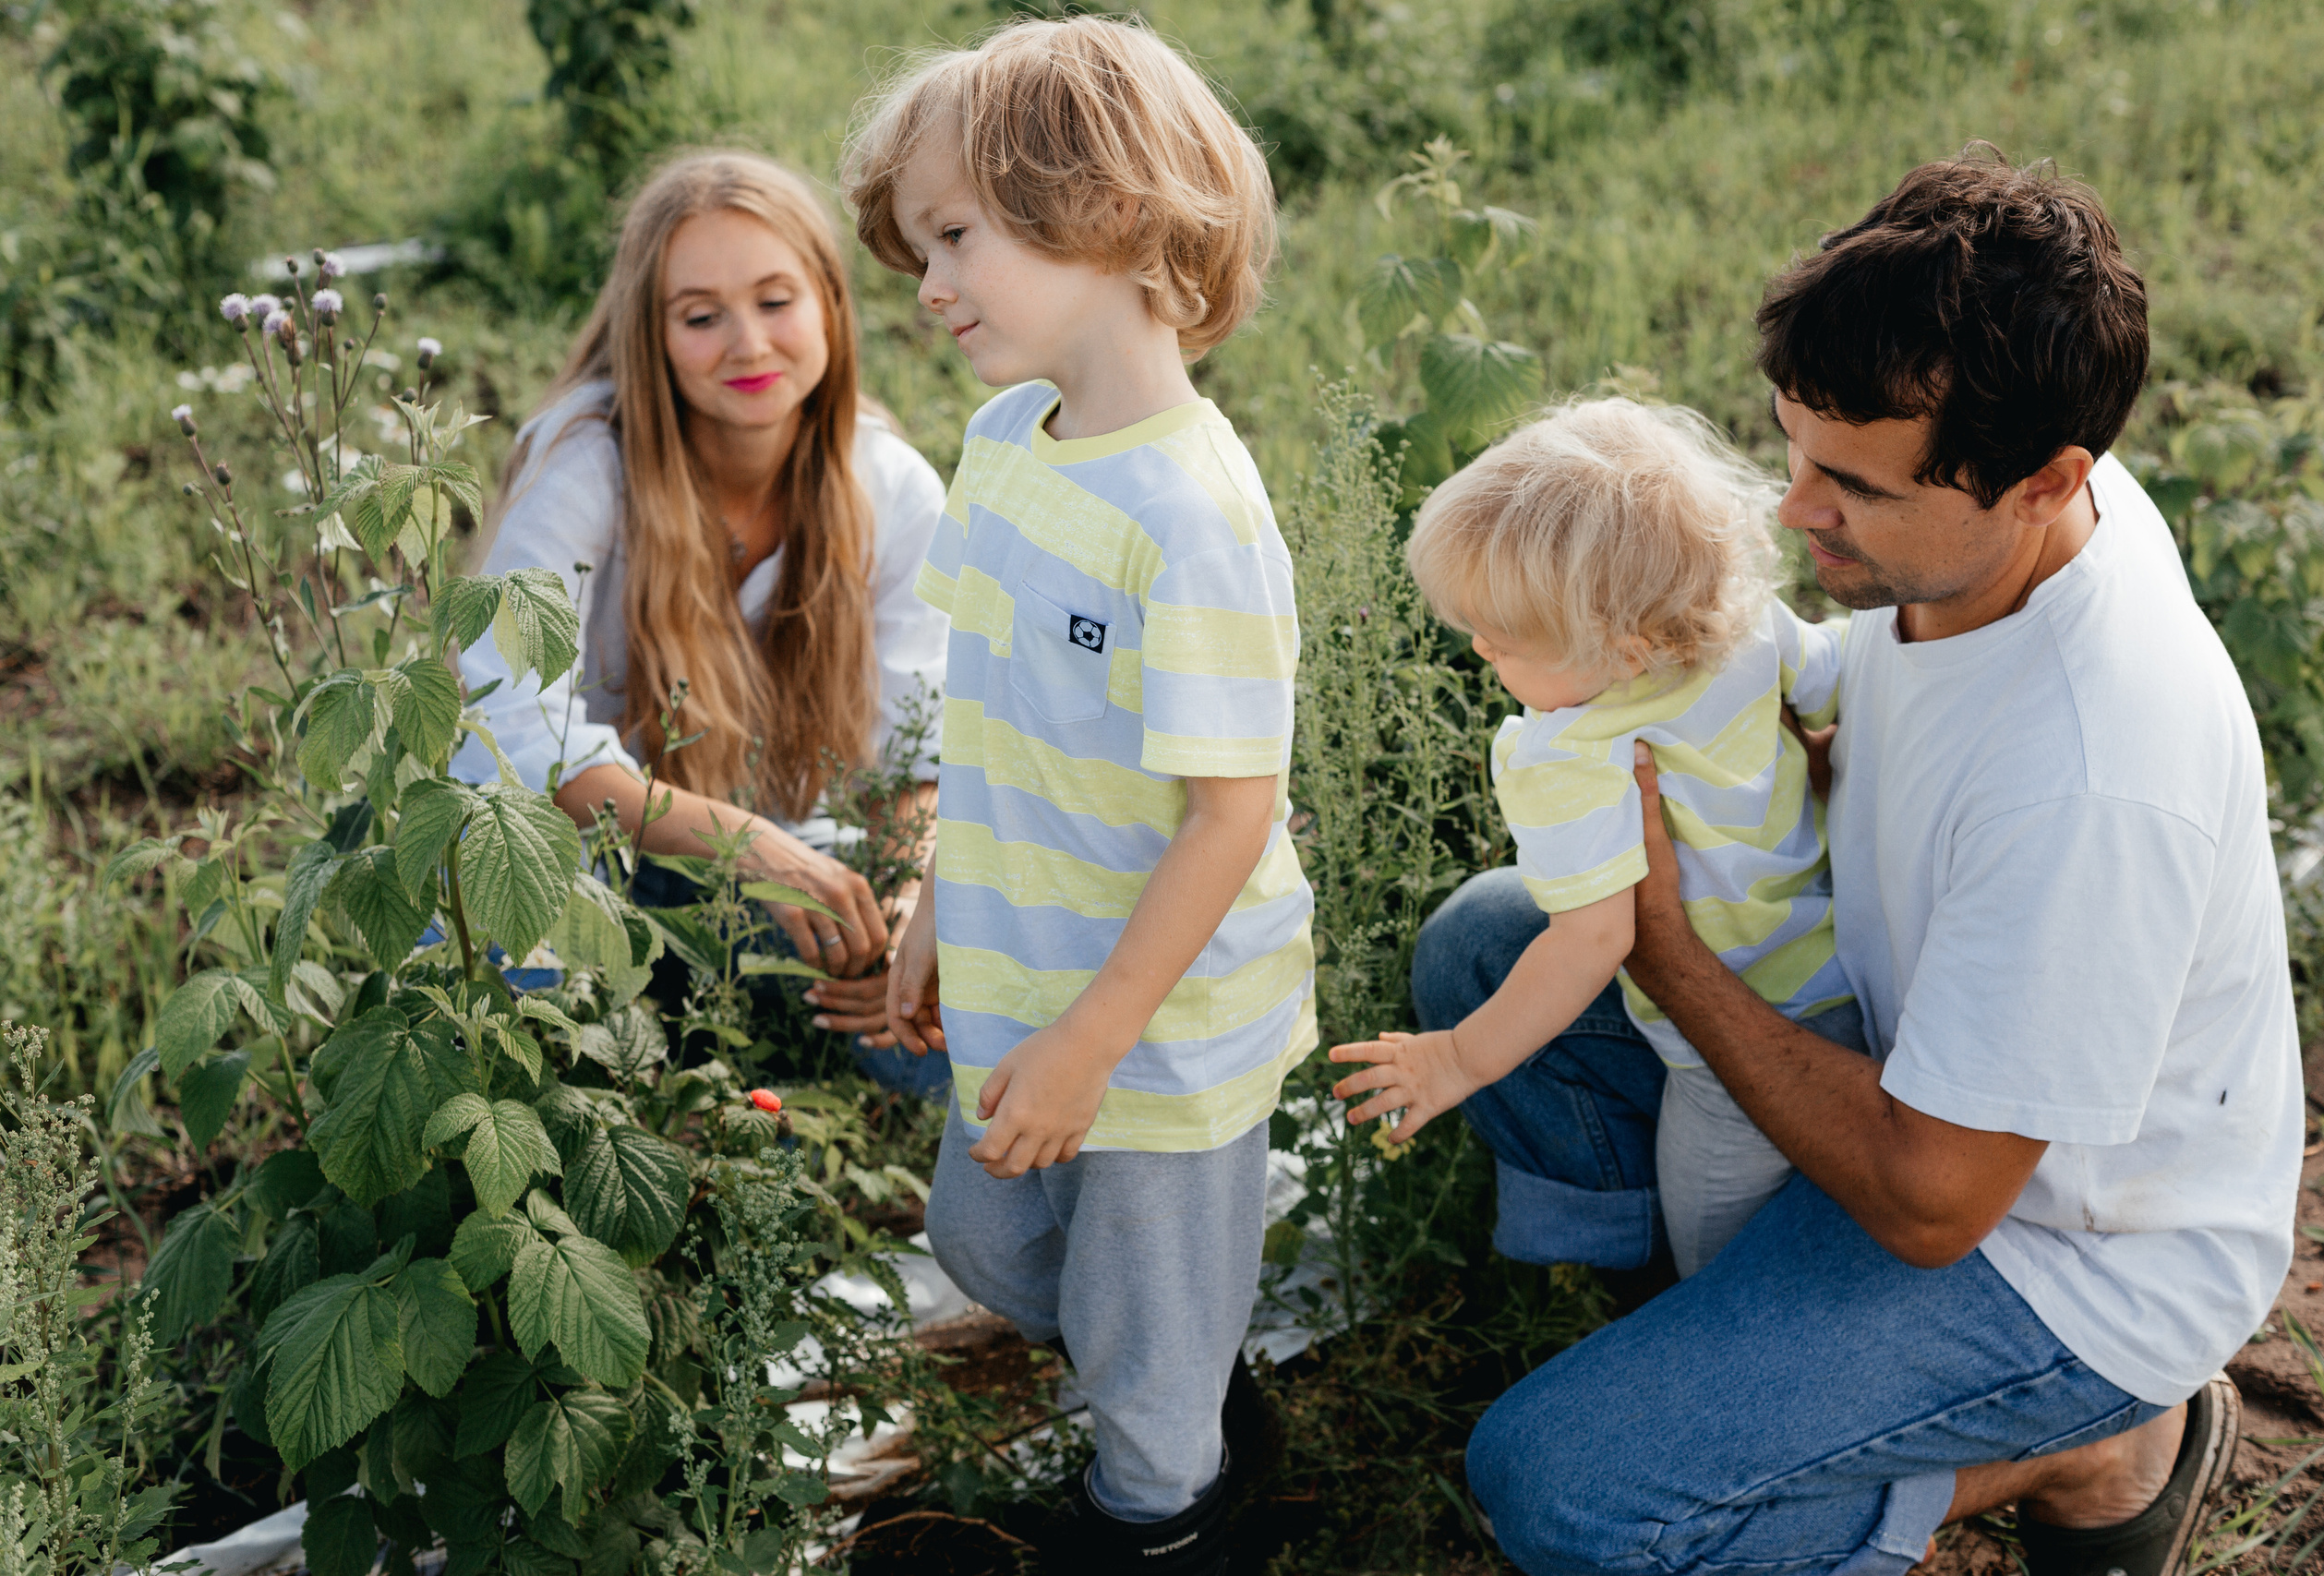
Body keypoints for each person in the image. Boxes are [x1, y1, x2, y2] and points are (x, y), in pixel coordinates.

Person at [1419, 152, 2303, 1576]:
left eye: (1854, 485)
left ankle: (2097, 1440)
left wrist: (1672, 948)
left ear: (2046, 481)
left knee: (1562, 1487)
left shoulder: (2090, 774)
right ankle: (1723, 1374)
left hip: (2059, 1250)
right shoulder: (1979, 520)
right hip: (1901, 1042)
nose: (1793, 511)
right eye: (1795, 449)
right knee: (1484, 941)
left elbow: (1935, 1196)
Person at [842, 17, 1306, 1572]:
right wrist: (935, 905)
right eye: (921, 248)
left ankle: (1161, 1511)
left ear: (1101, 205)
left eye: (958, 236)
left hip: (1155, 1030)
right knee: (987, 1235)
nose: (931, 286)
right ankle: (1176, 1364)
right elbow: (989, 718)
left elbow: (1228, 819)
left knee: (1142, 1343)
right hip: (1019, 971)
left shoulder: (1194, 517)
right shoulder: (1003, 442)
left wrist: (1094, 1039)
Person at [453, 150, 952, 1096]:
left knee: (963, 1005)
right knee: (527, 999)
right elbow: (509, 734)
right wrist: (747, 843)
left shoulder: (886, 484)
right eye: (701, 317)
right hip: (589, 869)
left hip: (784, 877)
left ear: (830, 309)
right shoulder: (585, 467)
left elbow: (918, 752)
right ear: (651, 334)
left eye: (776, 301)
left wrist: (900, 896)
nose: (749, 345)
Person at [1331, 397, 1861, 1279]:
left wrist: (1459, 1057)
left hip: (1729, 1053)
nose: (1478, 650)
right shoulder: (1755, 634)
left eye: (1501, 643)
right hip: (1841, 979)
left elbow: (1597, 938)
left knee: (1712, 1255)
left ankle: (1647, 1309)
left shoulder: (1568, 752)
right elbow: (1842, 680)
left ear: (1620, 652)